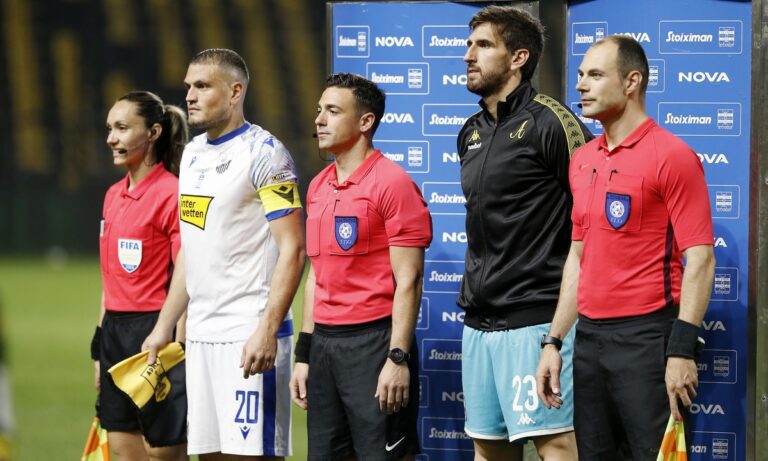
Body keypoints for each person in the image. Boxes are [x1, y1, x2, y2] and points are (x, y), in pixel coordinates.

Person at [535, 35, 715, 460]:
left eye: (596, 75)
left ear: (632, 82)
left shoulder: (673, 155)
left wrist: (681, 349)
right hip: (589, 342)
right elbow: (578, 256)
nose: (581, 85)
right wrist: (553, 341)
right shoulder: (582, 159)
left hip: (648, 341)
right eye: (581, 74)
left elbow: (701, 259)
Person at [142, 48, 305, 460]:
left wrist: (267, 330)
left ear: (235, 92)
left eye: (202, 86)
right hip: (201, 336)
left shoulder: (266, 154)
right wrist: (164, 326)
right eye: (188, 87)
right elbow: (191, 250)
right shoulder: (193, 154)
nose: (189, 95)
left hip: (247, 334)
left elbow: (294, 248)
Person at [457, 6, 592, 460]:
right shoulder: (470, 132)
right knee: (487, 449)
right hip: (478, 323)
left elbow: (591, 222)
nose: (468, 55)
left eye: (483, 45)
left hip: (536, 321)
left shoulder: (552, 122)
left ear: (518, 58)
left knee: (556, 445)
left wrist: (558, 332)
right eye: (469, 44)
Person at [289, 73, 432, 460]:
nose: (319, 119)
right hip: (324, 348)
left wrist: (397, 358)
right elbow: (316, 276)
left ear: (366, 121)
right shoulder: (318, 186)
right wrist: (304, 355)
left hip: (374, 344)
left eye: (333, 111)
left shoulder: (393, 183)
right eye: (319, 110)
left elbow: (409, 280)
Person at [95, 90, 189, 460]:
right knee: (123, 451)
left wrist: (179, 345)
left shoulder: (174, 193)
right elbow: (110, 280)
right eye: (109, 129)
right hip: (115, 335)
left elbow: (187, 272)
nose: (111, 138)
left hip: (155, 333)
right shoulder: (112, 195)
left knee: (162, 453)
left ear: (153, 132)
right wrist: (99, 347)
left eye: (121, 128)